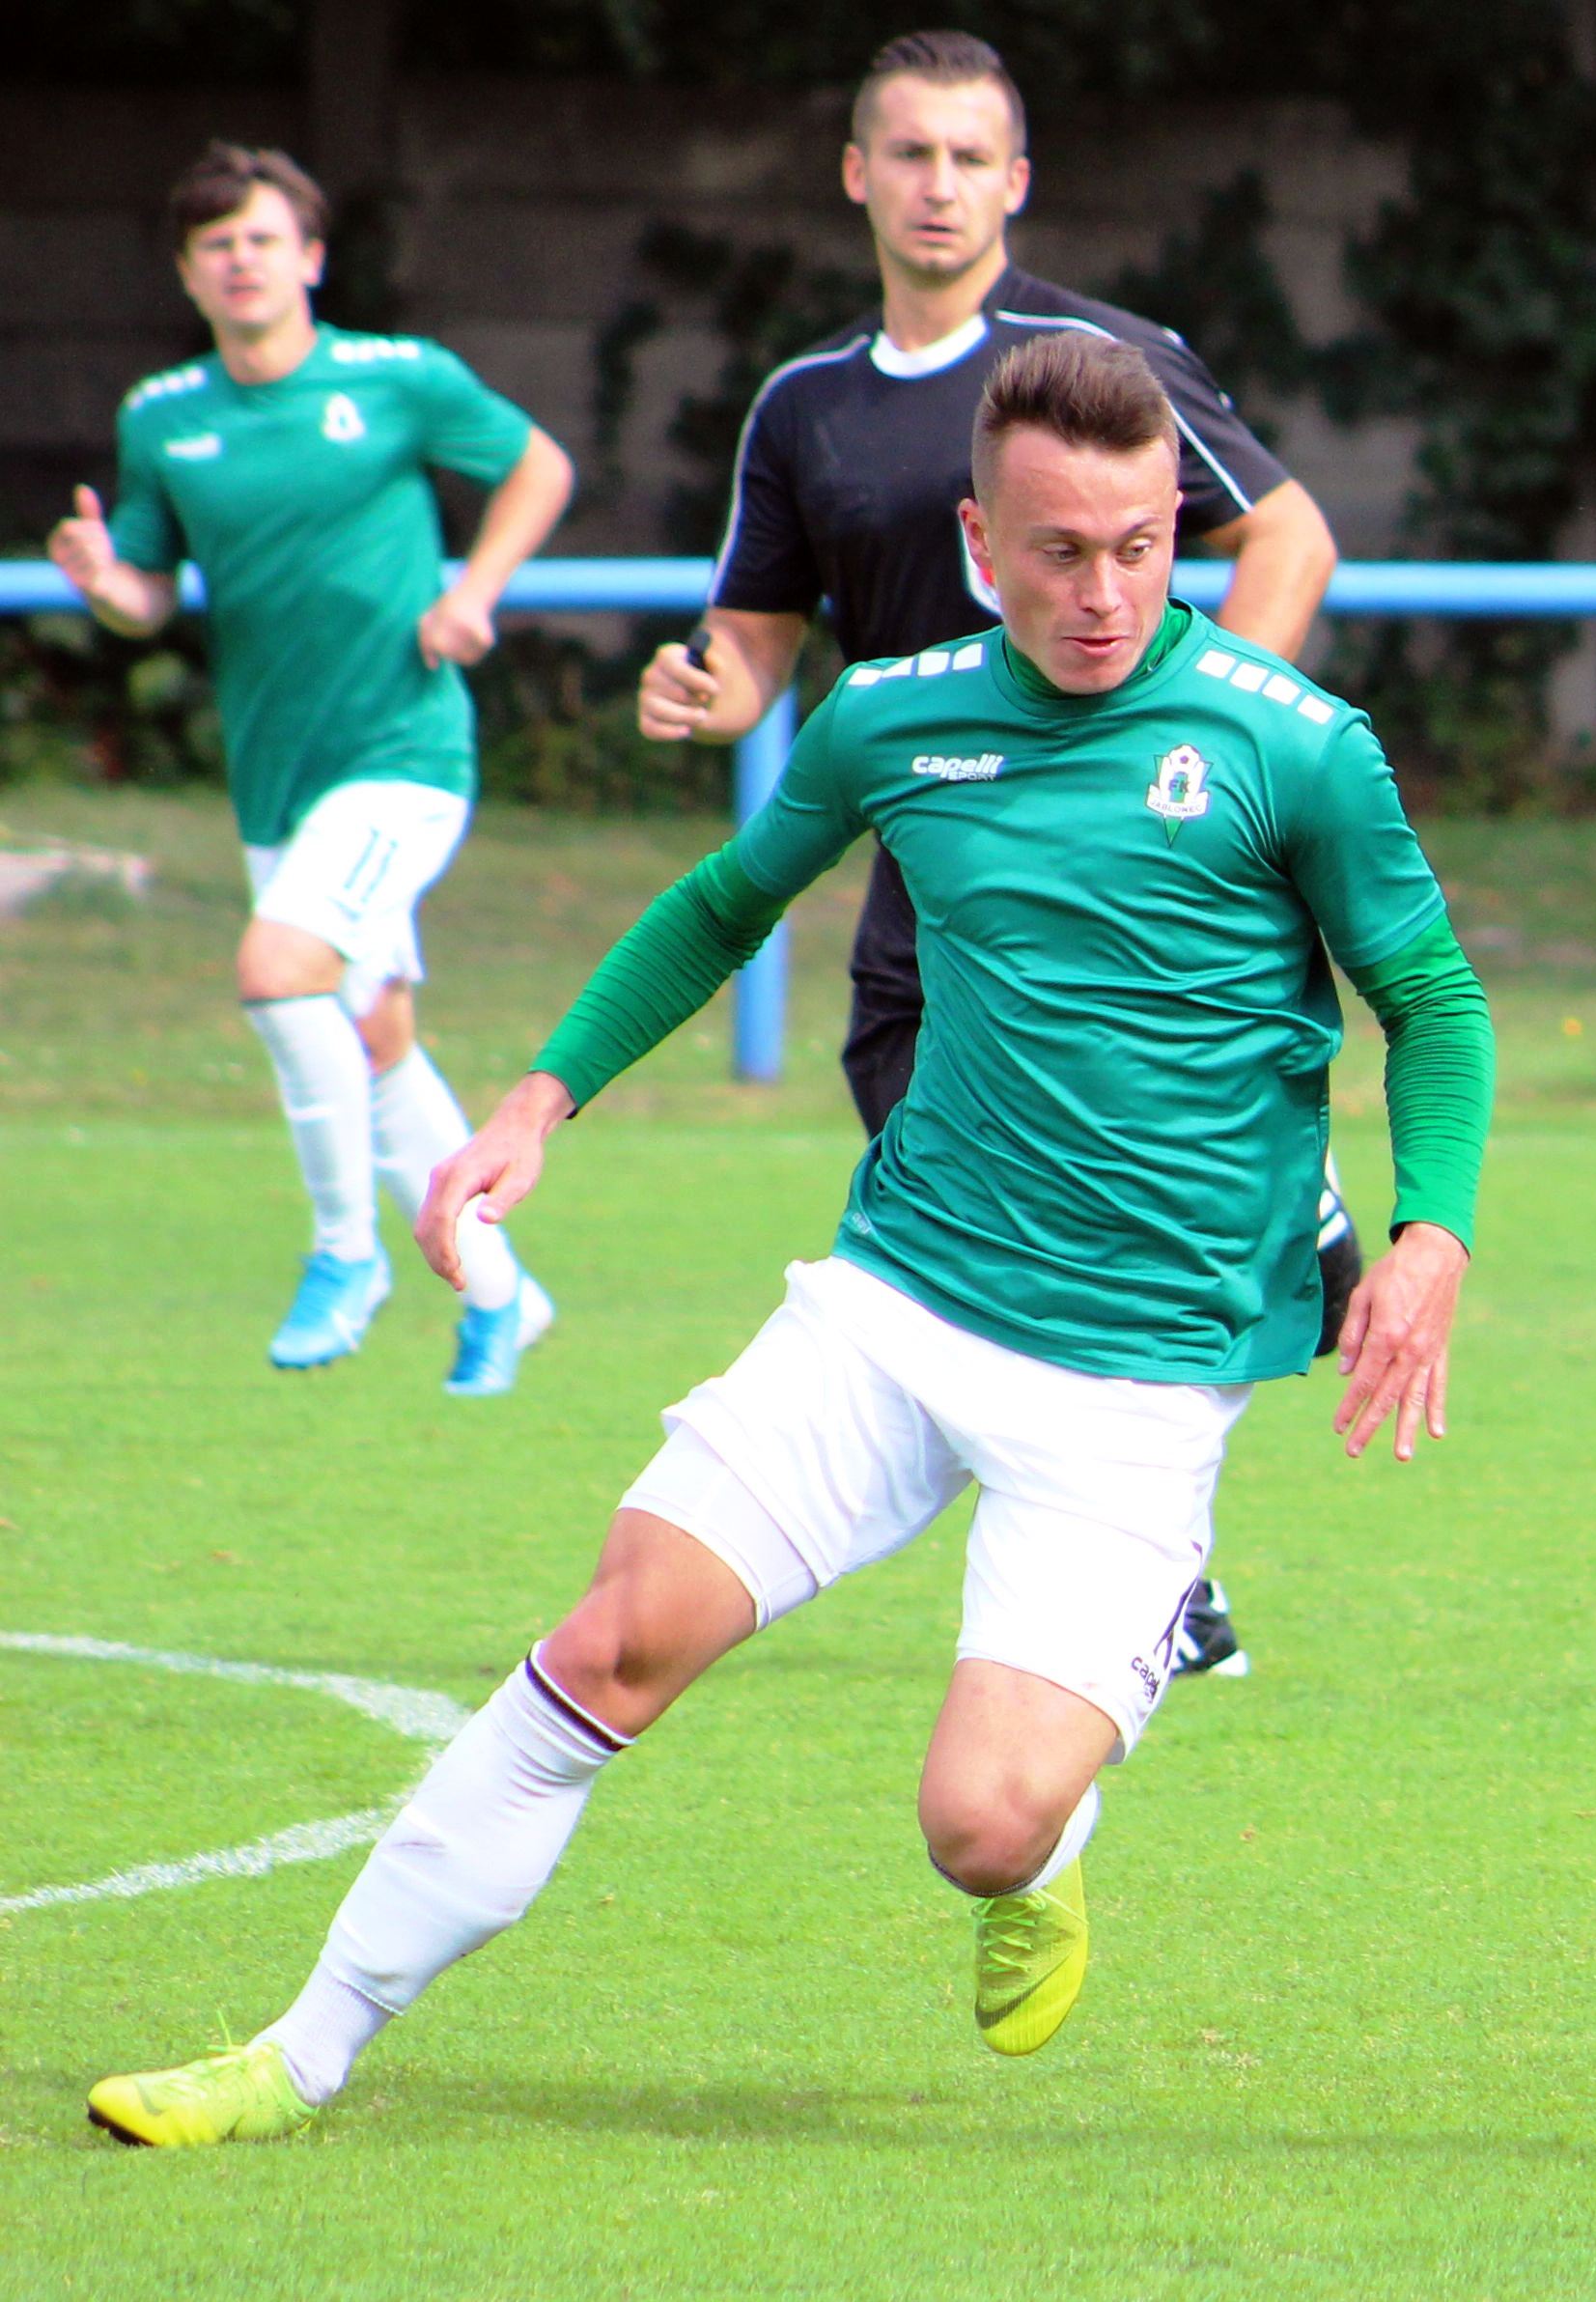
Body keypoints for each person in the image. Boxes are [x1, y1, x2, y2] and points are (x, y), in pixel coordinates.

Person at [87, 332, 1492, 2148]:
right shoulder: (896, 718)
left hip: (1140, 1377)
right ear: (981, 542)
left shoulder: (1290, 750)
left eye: (1144, 545)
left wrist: (1432, 1234)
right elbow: (724, 904)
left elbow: (1434, 1002)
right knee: (612, 1639)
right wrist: (537, 1099)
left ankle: (1054, 1825)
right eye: (1060, 549)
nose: (1105, 589)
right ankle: (301, 2047)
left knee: (976, 1825)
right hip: (899, 1303)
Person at [637, 29, 1350, 1672]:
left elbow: (1289, 533)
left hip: (1111, 865)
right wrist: (709, 685)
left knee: (1078, 1176)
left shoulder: (1094, 365)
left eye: (972, 157)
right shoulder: (803, 405)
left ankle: (1148, 1553)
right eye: (910, 154)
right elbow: (755, 639)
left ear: (1016, 180)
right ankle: (1144, 1554)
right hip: (926, 866)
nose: (939, 186)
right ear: (857, 175)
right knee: (932, 1161)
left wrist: (1220, 720)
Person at [48, 142, 575, 1394]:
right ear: (188, 274)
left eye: (263, 238)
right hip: (276, 778)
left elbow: (538, 465)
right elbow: (143, 590)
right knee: (374, 1033)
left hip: (403, 752)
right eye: (215, 244)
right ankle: (505, 1295)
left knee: (280, 971)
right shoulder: (164, 417)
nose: (242, 260)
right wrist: (100, 580)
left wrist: (475, 595)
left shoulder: (396, 380)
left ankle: (350, 1255)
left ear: (312, 258)